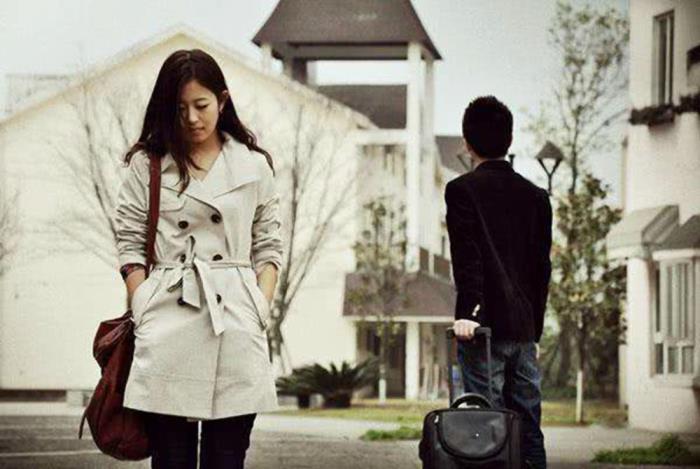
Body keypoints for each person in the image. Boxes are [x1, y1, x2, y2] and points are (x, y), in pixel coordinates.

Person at [112, 49, 283, 469]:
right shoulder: (148, 165)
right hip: (168, 318)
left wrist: (260, 305)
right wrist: (142, 302)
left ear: (222, 101)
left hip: (235, 319)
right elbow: (130, 241)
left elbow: (269, 245)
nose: (191, 118)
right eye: (179, 108)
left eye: (201, 105)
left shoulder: (253, 166)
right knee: (171, 459)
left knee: (227, 458)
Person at [444, 96, 552, 469]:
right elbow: (541, 268)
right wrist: (534, 327)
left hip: (483, 332)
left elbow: (468, 256)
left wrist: (469, 312)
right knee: (528, 425)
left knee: (485, 429)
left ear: (467, 143)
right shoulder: (537, 197)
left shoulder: (462, 190)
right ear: (510, 139)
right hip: (523, 331)